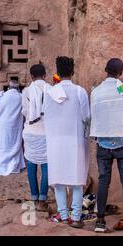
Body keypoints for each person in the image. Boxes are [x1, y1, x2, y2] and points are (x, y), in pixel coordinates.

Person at [90, 58, 123, 233]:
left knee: (104, 181)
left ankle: (100, 222)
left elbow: (95, 114)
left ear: (105, 70)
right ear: (120, 73)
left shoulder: (96, 91)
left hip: (104, 142)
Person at [43, 57, 90, 228]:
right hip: (76, 141)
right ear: (72, 71)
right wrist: (86, 139)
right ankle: (76, 217)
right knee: (77, 181)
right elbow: (87, 119)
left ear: (57, 71)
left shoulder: (49, 93)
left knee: (59, 181)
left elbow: (46, 118)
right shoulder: (80, 92)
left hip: (55, 142)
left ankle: (63, 216)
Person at [21, 64, 51, 212]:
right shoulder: (50, 89)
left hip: (30, 133)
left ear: (32, 77)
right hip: (46, 133)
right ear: (45, 75)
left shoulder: (26, 91)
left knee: (31, 166)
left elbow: (25, 111)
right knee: (46, 166)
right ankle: (42, 201)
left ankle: (34, 198)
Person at [0, 80, 25, 176]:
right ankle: (12, 165)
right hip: (13, 127)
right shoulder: (21, 98)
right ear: (18, 88)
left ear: (8, 87)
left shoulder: (0, 97)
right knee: (11, 143)